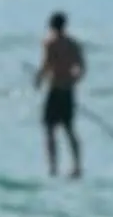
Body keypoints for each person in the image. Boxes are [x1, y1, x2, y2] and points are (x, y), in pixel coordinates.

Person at [35, 11, 86, 178]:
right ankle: (77, 166)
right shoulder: (73, 44)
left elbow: (46, 65)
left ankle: (53, 168)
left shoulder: (50, 43)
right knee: (69, 129)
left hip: (55, 90)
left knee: (50, 130)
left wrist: (38, 79)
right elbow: (82, 68)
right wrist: (73, 81)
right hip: (68, 91)